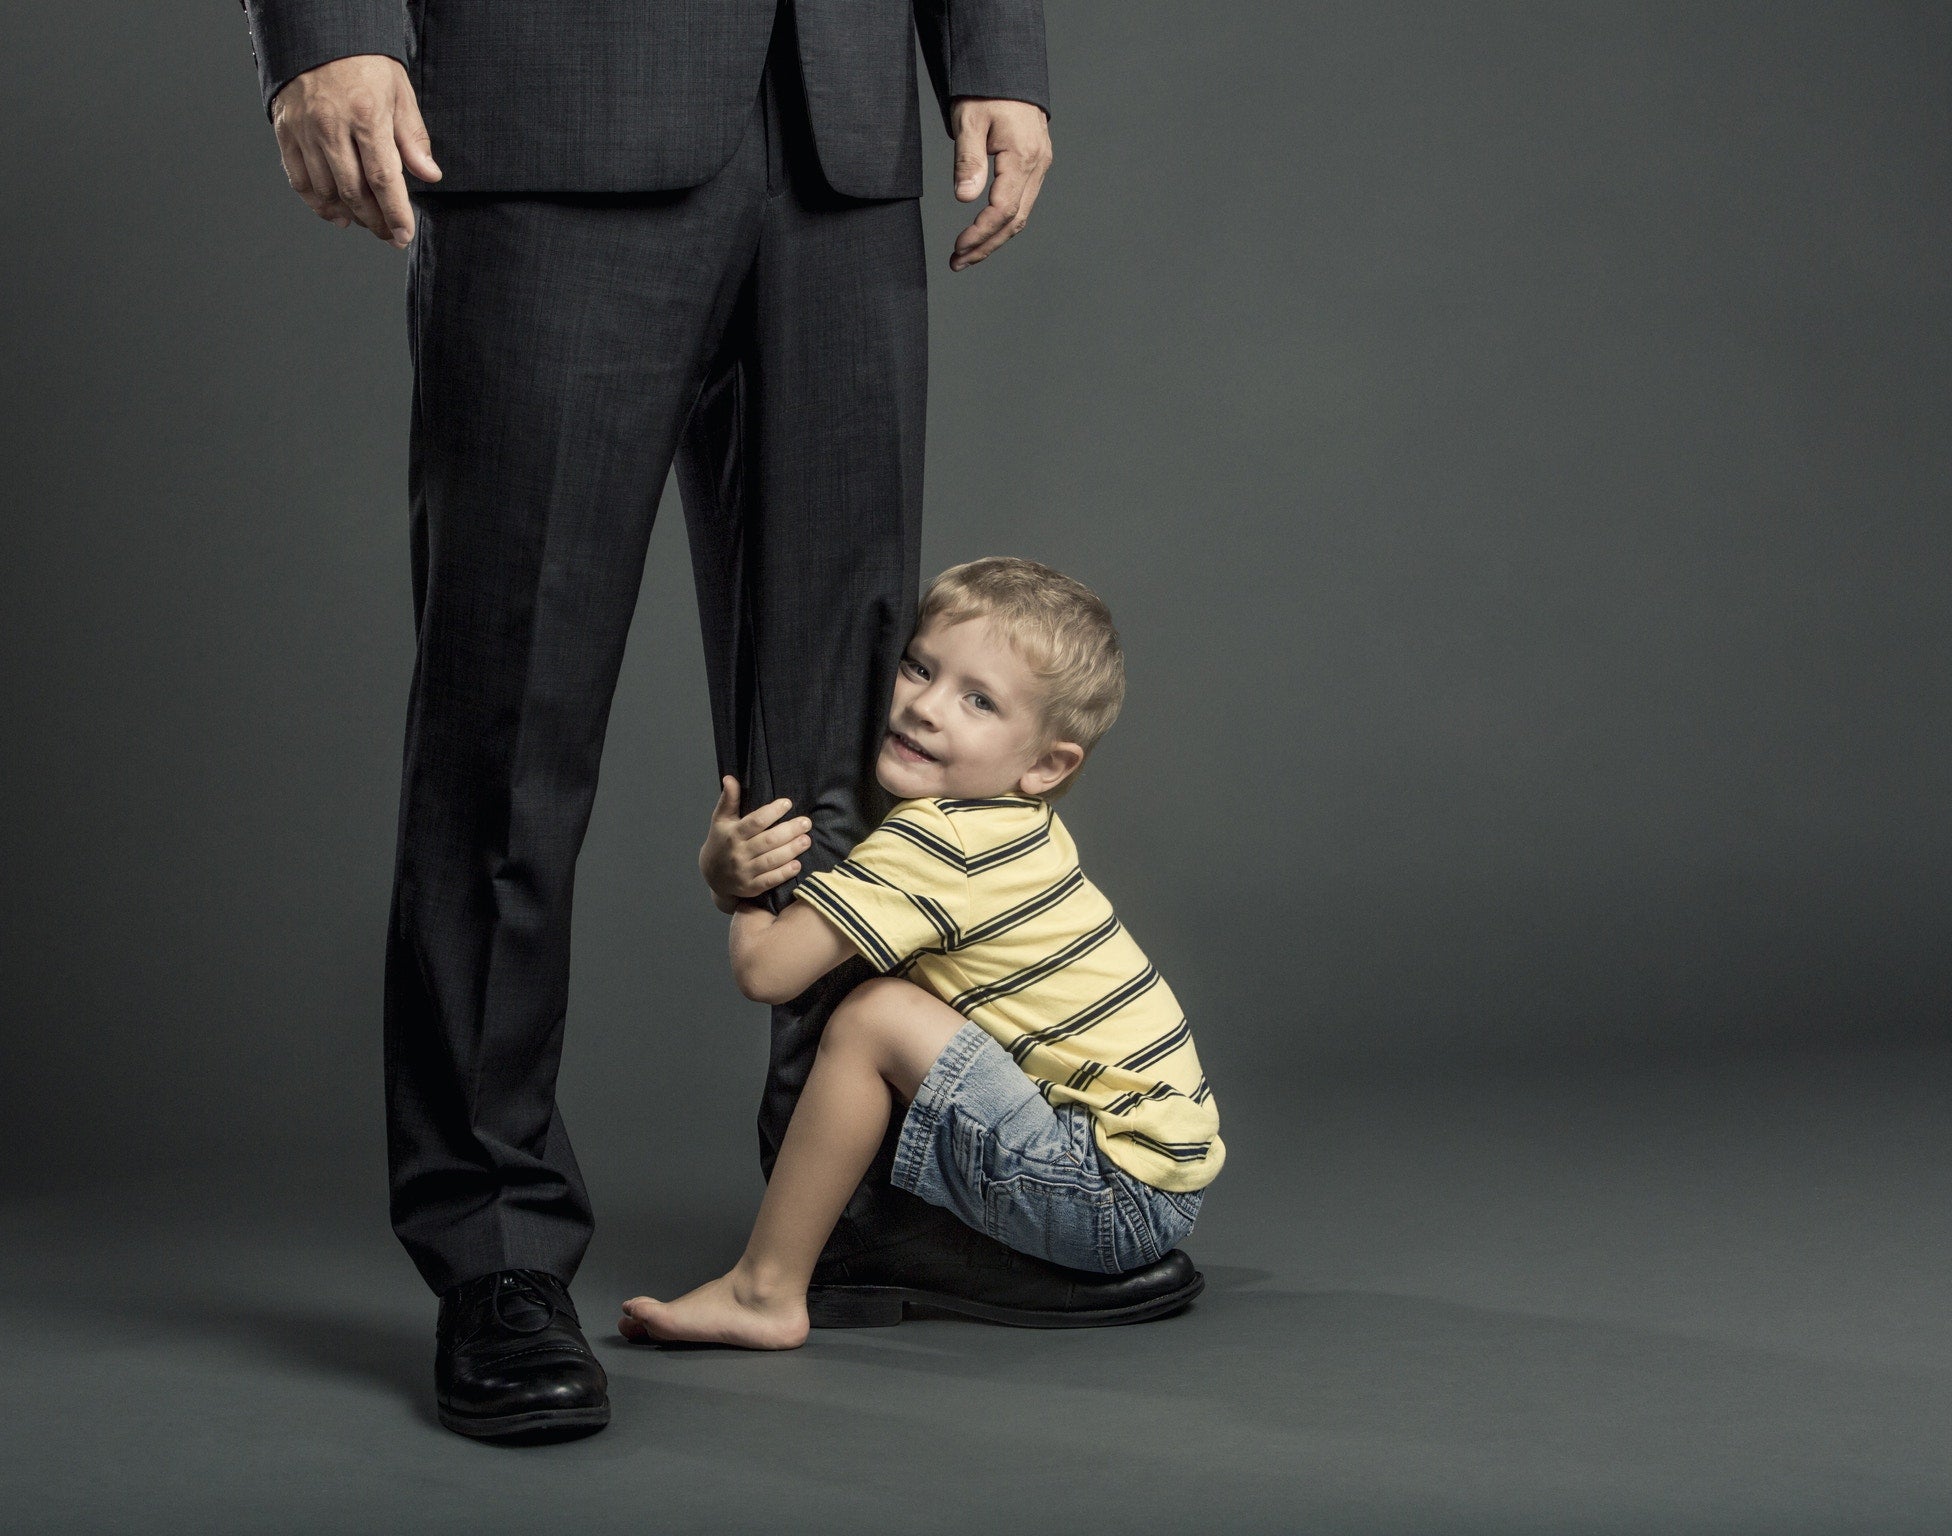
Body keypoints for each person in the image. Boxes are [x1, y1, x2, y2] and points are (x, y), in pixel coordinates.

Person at [239, 0, 1196, 1442]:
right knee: (512, 719)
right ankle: (493, 1244)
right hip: (553, 103)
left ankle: (855, 1207)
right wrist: (323, 30)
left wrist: (992, 51)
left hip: (836, 129)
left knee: (858, 727)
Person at [619, 558, 1222, 1348]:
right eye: (918, 667)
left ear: (1046, 764)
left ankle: (763, 1291)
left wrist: (735, 883)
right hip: (1163, 1184)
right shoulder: (1019, 827)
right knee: (896, 1007)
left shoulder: (939, 842)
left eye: (979, 700)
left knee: (874, 1017)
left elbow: (766, 972)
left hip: (1108, 1195)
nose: (924, 707)